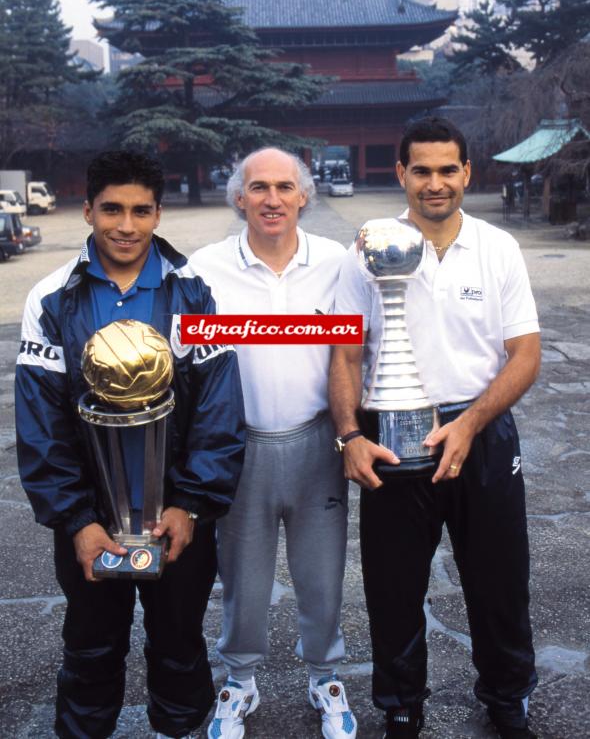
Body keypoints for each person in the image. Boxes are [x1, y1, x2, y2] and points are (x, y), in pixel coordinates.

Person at [15, 151, 246, 739]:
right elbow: (41, 425)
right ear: (88, 210)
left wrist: (191, 504)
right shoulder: (51, 299)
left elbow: (219, 410)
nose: (126, 225)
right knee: (90, 652)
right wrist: (76, 521)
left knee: (179, 649)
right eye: (112, 209)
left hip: (176, 518)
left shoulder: (196, 292)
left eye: (141, 211)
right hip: (93, 523)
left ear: (158, 214)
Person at [329, 117, 540, 739]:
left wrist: (472, 422)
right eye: (421, 170)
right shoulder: (368, 247)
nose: (436, 183)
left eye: (449, 169)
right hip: (391, 435)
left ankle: (506, 697)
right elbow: (343, 352)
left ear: (467, 173)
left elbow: (524, 352)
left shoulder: (498, 247)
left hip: (482, 427)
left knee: (499, 578)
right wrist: (348, 435)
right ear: (401, 174)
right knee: (394, 585)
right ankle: (400, 706)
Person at [190, 148, 357, 739]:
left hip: (316, 443)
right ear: (239, 197)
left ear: (303, 195)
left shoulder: (338, 261)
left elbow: (358, 345)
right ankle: (239, 680)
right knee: (244, 578)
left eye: (285, 187)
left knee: (322, 573)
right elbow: (185, 358)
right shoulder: (205, 268)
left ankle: (326, 677)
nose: (272, 199)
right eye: (258, 187)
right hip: (242, 448)